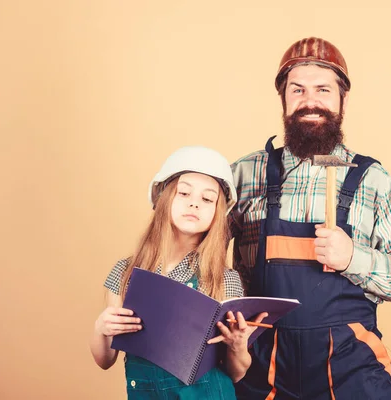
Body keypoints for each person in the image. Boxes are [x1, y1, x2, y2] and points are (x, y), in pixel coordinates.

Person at [230, 37, 391, 399]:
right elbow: (196, 250)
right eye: (298, 90)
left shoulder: (372, 180)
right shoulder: (245, 174)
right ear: (283, 99)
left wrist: (353, 259)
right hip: (265, 365)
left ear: (343, 99)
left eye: (323, 89)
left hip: (351, 366)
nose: (310, 102)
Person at [90, 146, 267, 399]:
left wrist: (238, 346)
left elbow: (236, 373)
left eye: (207, 199)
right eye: (184, 193)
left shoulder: (226, 280)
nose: (194, 202)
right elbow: (104, 360)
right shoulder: (125, 272)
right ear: (163, 199)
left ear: (217, 214)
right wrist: (101, 328)